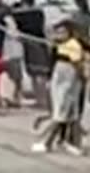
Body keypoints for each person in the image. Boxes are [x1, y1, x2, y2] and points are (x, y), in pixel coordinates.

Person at [33, 19, 86, 154]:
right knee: (68, 114)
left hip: (68, 83)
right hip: (60, 81)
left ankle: (47, 142)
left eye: (62, 32)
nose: (59, 34)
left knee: (61, 115)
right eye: (57, 32)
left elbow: (77, 65)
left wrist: (83, 78)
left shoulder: (73, 45)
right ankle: (71, 143)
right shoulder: (59, 45)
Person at [14, 0, 51, 111]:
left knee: (35, 73)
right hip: (41, 42)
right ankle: (42, 98)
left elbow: (17, 25)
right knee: (42, 72)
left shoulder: (20, 13)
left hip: (29, 44)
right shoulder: (39, 11)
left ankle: (41, 100)